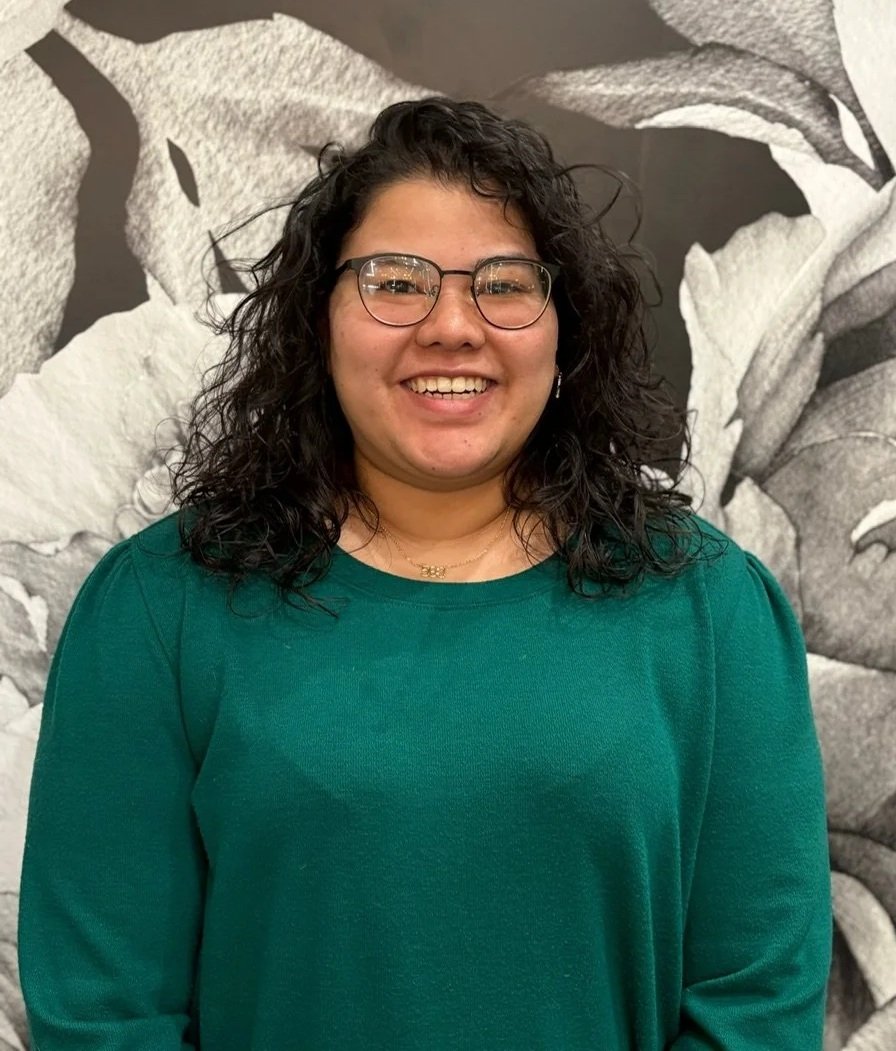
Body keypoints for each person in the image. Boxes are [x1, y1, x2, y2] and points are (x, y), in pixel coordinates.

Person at [18, 97, 832, 1050]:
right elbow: (105, 1013)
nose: (453, 326)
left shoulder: (711, 609)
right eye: (395, 283)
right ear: (315, 324)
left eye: (504, 283)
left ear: (563, 328)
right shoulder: (160, 609)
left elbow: (756, 1007)